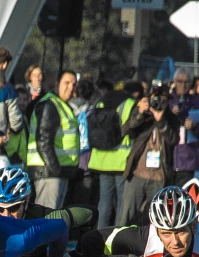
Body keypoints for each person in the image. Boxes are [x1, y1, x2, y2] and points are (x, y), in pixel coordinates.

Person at [119, 83, 178, 227]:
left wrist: (160, 120)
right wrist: (140, 113)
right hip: (137, 173)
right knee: (126, 216)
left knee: (154, 218)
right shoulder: (143, 115)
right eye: (155, 99)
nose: (158, 103)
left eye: (163, 100)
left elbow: (173, 139)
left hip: (159, 176)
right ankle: (121, 247)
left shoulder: (172, 118)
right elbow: (126, 130)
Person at [26, 70, 80, 209]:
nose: (70, 87)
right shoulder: (50, 105)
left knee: (52, 218)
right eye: (66, 83)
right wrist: (55, 169)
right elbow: (43, 141)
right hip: (48, 173)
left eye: (73, 84)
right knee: (46, 217)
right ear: (57, 84)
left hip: (56, 172)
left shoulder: (61, 105)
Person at [89, 81, 137, 228]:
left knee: (104, 202)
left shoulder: (100, 102)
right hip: (121, 161)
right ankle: (117, 236)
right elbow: (134, 129)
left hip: (102, 160)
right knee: (122, 202)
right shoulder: (130, 103)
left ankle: (99, 235)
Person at [66, 78, 98, 207]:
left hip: (67, 161)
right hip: (86, 163)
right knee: (81, 204)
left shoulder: (65, 108)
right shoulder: (92, 111)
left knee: (65, 202)